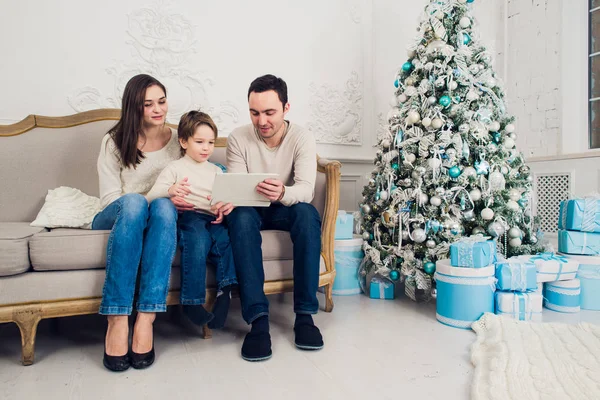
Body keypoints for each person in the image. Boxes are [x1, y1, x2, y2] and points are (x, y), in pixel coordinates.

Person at [217, 74, 324, 362]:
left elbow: (305, 189)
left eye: (269, 112)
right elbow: (238, 188)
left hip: (284, 205)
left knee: (306, 213)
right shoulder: (239, 137)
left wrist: (282, 193)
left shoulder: (302, 137)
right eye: (254, 112)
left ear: (286, 108)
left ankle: (304, 316)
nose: (261, 120)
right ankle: (258, 321)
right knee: (239, 217)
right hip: (250, 209)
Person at [93, 74, 180, 372]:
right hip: (119, 213)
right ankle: (117, 318)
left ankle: (146, 317)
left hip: (159, 216)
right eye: (148, 104)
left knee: (165, 207)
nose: (158, 109)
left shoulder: (180, 138)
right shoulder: (114, 140)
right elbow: (108, 199)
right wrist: (143, 203)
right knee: (135, 202)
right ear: (134, 107)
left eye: (162, 101)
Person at [146, 111, 237, 330]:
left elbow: (228, 197)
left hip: (213, 218)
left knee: (225, 243)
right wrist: (170, 190)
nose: (206, 148)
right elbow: (150, 197)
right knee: (197, 241)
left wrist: (223, 207)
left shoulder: (216, 171)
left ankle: (226, 291)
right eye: (199, 142)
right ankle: (192, 301)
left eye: (211, 142)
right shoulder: (175, 168)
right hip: (189, 216)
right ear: (184, 141)